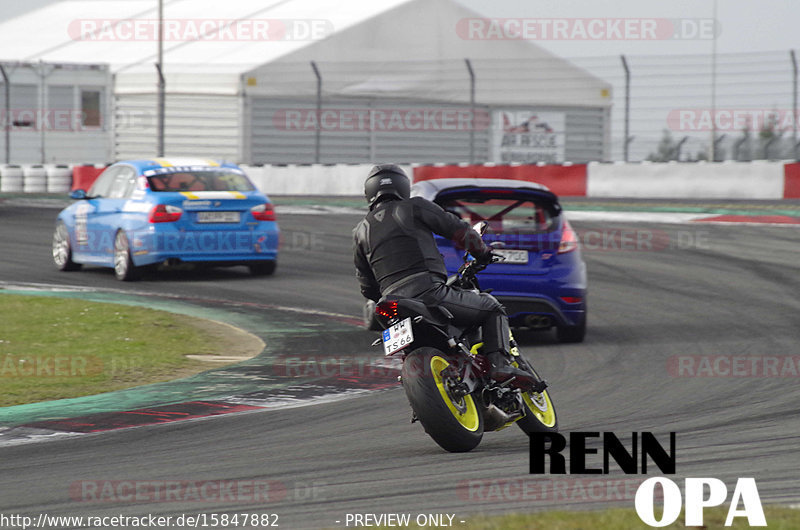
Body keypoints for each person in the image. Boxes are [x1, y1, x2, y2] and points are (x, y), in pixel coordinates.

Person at [353, 164, 535, 387]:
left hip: (389, 305)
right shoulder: (415, 206)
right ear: (403, 187)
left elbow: (366, 286)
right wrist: (482, 253)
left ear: (369, 193)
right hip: (428, 291)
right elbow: (459, 231)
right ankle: (500, 365)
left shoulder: (361, 231)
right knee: (492, 308)